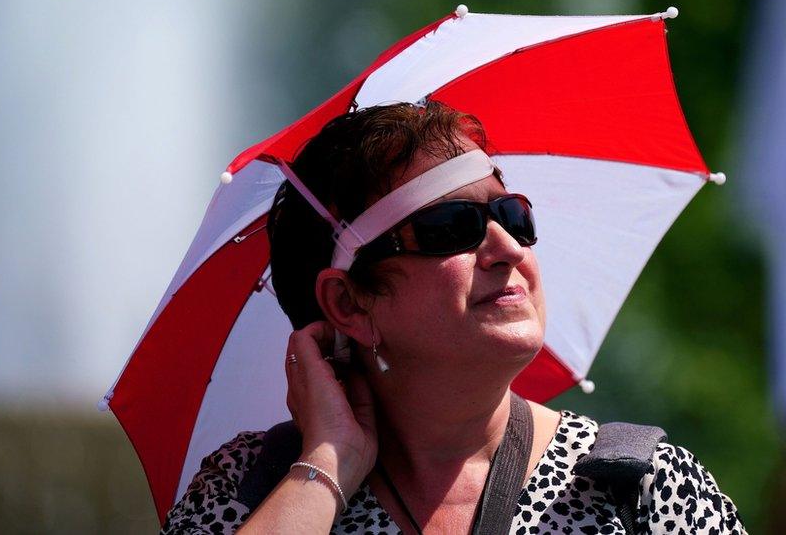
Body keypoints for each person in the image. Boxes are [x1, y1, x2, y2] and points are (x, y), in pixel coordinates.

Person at [160, 102, 746, 534]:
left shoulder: (638, 486)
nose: (510, 248)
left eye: (514, 216)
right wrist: (325, 465)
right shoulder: (248, 489)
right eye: (451, 228)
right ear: (349, 303)